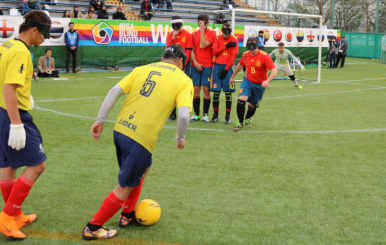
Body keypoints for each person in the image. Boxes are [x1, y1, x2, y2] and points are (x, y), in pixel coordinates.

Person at [81, 44, 192, 240]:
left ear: (163, 57)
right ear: (182, 61)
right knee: (124, 186)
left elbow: (115, 90)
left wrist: (100, 120)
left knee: (145, 167)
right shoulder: (184, 80)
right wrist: (180, 138)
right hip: (139, 139)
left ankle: (127, 214)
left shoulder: (142, 69)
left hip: (120, 130)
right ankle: (93, 227)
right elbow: (183, 115)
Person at [0, 10, 51, 241]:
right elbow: (9, 87)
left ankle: (16, 214)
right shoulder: (21, 52)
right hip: (11, 115)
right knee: (37, 166)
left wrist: (25, 96)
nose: (44, 40)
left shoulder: (6, 46)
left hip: (1, 112)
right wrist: (17, 124)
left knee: (7, 166)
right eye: (43, 35)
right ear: (34, 30)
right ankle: (7, 216)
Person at [229, 37, 277, 131]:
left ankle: (247, 118)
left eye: (254, 48)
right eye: (250, 48)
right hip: (247, 81)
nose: (252, 51)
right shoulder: (245, 55)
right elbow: (240, 65)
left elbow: (274, 70)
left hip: (260, 84)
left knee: (252, 105)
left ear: (257, 46)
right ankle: (240, 122)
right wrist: (232, 76)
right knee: (241, 99)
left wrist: (267, 81)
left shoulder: (264, 55)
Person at [165, 16, 193, 121]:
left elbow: (188, 51)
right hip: (172, 65)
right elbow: (167, 49)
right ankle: (172, 114)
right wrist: (172, 38)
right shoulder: (170, 34)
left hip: (184, 65)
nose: (176, 29)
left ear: (182, 25)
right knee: (171, 89)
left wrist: (184, 65)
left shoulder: (188, 35)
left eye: (178, 27)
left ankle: (185, 113)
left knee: (184, 90)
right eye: (174, 27)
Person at [190, 14, 216, 123]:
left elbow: (204, 45)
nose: (201, 24)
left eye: (203, 22)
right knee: (195, 91)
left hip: (208, 66)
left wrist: (201, 31)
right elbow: (192, 50)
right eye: (199, 21)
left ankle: (205, 114)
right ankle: (196, 114)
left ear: (207, 23)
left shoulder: (212, 33)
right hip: (195, 66)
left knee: (206, 91)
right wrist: (195, 63)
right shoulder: (193, 34)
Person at [210, 23, 238, 124]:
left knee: (228, 93)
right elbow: (214, 52)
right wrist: (226, 46)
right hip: (217, 67)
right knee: (216, 93)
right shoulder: (217, 38)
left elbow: (233, 57)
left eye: (228, 33)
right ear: (222, 31)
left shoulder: (234, 39)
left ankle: (227, 117)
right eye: (224, 33)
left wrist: (226, 69)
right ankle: (215, 116)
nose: (226, 35)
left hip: (228, 68)